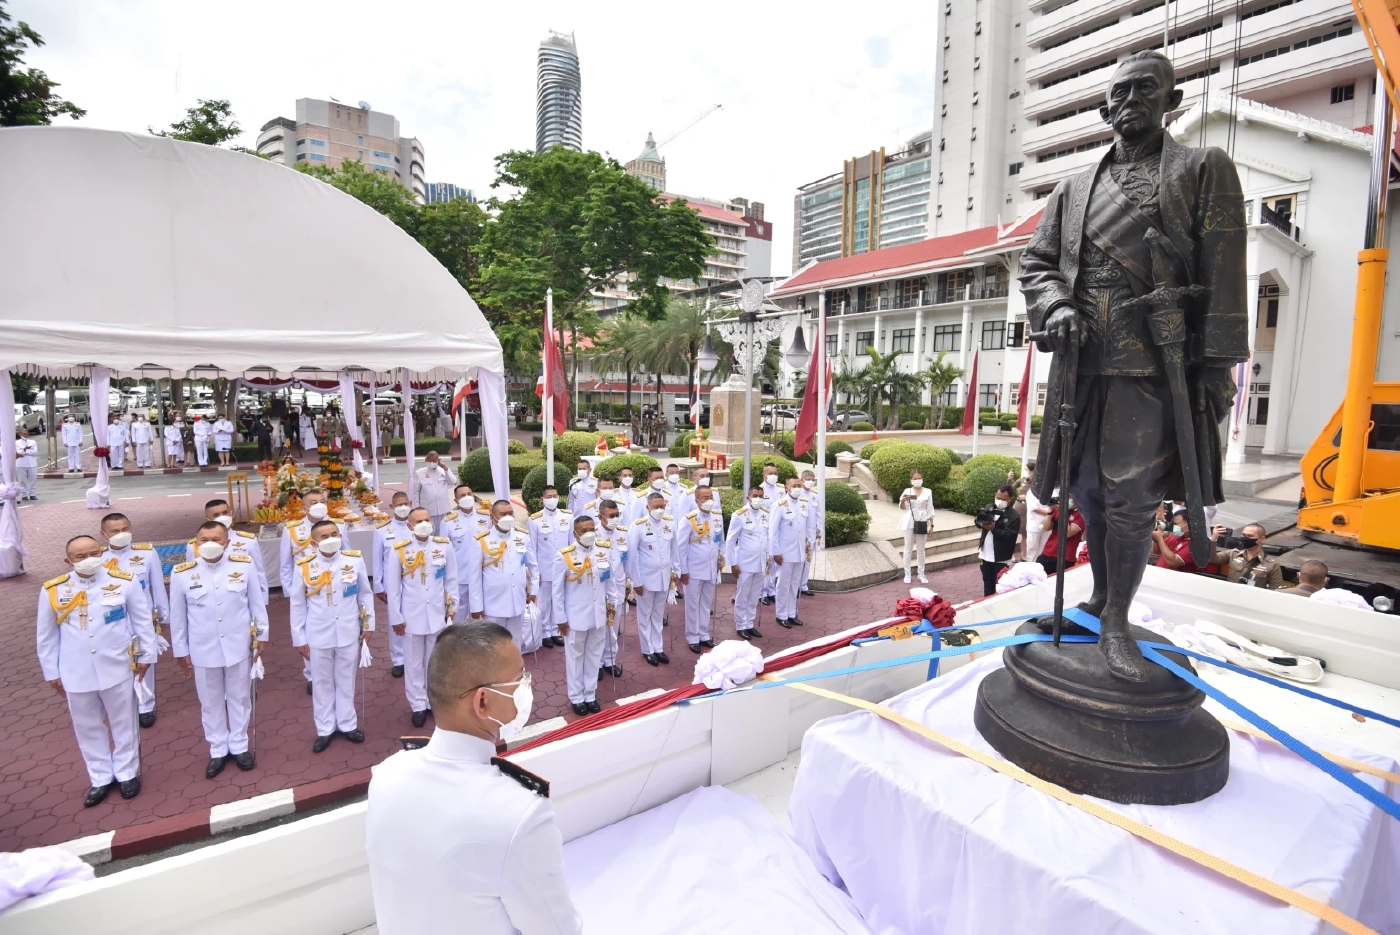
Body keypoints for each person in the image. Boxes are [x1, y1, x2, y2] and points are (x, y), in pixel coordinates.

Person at [1020, 49, 1247, 682]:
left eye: (1145, 89)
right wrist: (1057, 303)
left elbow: (1225, 267)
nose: (1129, 102)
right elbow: (1037, 265)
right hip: (1081, 364)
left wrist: (1215, 364)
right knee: (1086, 490)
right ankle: (1093, 600)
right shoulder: (1072, 189)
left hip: (1154, 367)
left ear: (1172, 100)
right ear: (1102, 109)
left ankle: (1117, 620)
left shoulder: (1203, 168)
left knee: (1129, 496)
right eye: (1118, 93)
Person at [366, 623, 581, 935]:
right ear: (482, 702)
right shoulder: (520, 815)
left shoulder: (386, 775)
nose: (526, 687)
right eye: (518, 679)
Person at [36, 535, 157, 806]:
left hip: (117, 665)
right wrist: (51, 671)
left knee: (124, 722)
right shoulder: (53, 590)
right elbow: (46, 636)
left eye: (94, 552)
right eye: (81, 556)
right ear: (68, 561)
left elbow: (141, 621)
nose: (89, 559)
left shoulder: (124, 581)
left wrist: (147, 655)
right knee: (87, 727)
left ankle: (127, 772)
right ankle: (100, 777)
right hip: (75, 671)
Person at [169, 521, 268, 779]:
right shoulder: (182, 572)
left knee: (239, 697)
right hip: (203, 649)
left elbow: (256, 605)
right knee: (210, 702)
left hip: (238, 645)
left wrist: (262, 636)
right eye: (204, 539)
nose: (210, 544)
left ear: (227, 542)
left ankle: (239, 745)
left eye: (216, 539)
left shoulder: (243, 566)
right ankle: (217, 749)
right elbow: (178, 617)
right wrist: (181, 651)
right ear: (196, 542)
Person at [289, 520, 373, 751]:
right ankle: (325, 728)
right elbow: (297, 604)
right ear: (314, 544)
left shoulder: (353, 560)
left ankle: (347, 724)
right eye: (324, 536)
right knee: (322, 682)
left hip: (348, 631)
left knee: (346, 680)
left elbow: (365, 594)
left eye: (334, 534)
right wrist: (299, 638)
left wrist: (368, 624)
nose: (330, 539)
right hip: (317, 633)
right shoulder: (304, 565)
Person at [386, 507, 458, 727]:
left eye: (427, 519)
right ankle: (418, 704)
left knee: (434, 661)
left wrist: (451, 608)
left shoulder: (443, 546)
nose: (425, 523)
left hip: (437, 613)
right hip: (412, 615)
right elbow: (394, 588)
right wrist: (396, 617)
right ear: (409, 526)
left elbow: (451, 580)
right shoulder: (399, 549)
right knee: (413, 662)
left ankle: (433, 701)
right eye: (419, 521)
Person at [100, 512, 169, 728]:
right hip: (112, 621)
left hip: (142, 618)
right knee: (117, 664)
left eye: (125, 529)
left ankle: (145, 706)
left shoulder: (147, 554)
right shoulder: (98, 560)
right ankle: (123, 705)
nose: (122, 534)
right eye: (115, 531)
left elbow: (158, 587)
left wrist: (162, 618)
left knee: (144, 662)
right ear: (104, 535)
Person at [553, 515, 614, 715]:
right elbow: (557, 591)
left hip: (598, 615)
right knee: (575, 657)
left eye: (591, 529)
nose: (589, 534)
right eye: (584, 531)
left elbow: (608, 581)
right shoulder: (565, 556)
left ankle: (590, 694)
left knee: (594, 656)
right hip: (575, 617)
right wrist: (560, 618)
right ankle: (576, 697)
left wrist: (612, 605)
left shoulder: (604, 550)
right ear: (575, 534)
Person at [281, 489, 335, 691]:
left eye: (322, 500)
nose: (319, 504)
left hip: (331, 587)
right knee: (308, 632)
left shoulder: (338, 526)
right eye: (313, 502)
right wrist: (291, 594)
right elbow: (286, 565)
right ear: (304, 507)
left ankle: (332, 670)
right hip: (305, 590)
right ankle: (312, 675)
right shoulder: (292, 529)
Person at [467, 499, 538, 653]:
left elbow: (533, 566)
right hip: (492, 605)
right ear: (493, 517)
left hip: (517, 602)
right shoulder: (481, 540)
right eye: (503, 514)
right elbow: (474, 577)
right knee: (493, 648)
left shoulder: (522, 536)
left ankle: (515, 675)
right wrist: (476, 606)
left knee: (514, 644)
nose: (508, 517)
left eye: (510, 513)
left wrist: (534, 590)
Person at [189, 499, 269, 606]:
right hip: (209, 600)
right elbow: (191, 576)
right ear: (207, 519)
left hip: (240, 598)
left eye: (225, 513)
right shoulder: (195, 545)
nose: (222, 517)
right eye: (216, 515)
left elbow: (259, 572)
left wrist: (263, 601)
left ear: (231, 513)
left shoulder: (248, 541)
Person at [630, 491, 677, 666]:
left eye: (662, 506)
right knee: (645, 615)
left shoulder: (670, 523)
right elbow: (632, 555)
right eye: (656, 506)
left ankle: (658, 648)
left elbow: (674, 549)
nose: (659, 509)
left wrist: (676, 572)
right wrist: (636, 580)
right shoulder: (639, 525)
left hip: (664, 577)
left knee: (658, 615)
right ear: (647, 507)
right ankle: (647, 649)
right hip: (646, 579)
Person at [676, 485, 723, 653]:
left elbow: (719, 540)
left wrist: (720, 559)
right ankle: (692, 636)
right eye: (705, 498)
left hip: (710, 569)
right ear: (697, 501)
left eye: (711, 496)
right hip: (693, 570)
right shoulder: (688, 519)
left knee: (705, 604)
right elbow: (680, 547)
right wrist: (683, 571)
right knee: (692, 604)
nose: (709, 500)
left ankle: (704, 634)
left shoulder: (717, 517)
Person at [374, 491, 415, 678]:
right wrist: (378, 586)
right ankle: (398, 659)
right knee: (396, 620)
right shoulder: (382, 530)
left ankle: (414, 657)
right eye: (399, 504)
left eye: (406, 503)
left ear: (411, 503)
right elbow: (376, 559)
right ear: (391, 507)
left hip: (415, 581)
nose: (403, 507)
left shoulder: (418, 526)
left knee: (415, 619)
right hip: (392, 583)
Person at [529, 487, 573, 649]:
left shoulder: (567, 516)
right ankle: (545, 632)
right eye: (549, 496)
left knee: (559, 600)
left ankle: (556, 631)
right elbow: (532, 548)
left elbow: (571, 543)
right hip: (545, 567)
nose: (552, 499)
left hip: (564, 567)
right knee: (545, 602)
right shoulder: (535, 519)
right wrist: (535, 571)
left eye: (555, 495)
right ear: (542, 499)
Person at [725, 485, 769, 641]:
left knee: (755, 595)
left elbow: (767, 537)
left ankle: (749, 623)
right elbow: (730, 541)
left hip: (761, 562)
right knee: (742, 595)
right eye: (755, 495)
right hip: (745, 562)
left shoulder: (766, 514)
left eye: (761, 496)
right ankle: (740, 625)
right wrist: (732, 563)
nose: (758, 498)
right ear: (748, 497)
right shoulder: (739, 515)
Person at [768, 475, 813, 629]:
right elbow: (772, 531)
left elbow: (808, 527)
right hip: (785, 553)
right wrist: (775, 552)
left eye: (799, 485)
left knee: (795, 584)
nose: (797, 488)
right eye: (794, 486)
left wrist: (809, 545)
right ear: (787, 487)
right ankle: (781, 615)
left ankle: (792, 613)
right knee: (783, 584)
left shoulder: (804, 504)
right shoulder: (779, 505)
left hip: (800, 551)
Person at [595, 500, 629, 677]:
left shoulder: (623, 533)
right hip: (600, 589)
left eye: (617, 515)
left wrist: (630, 581)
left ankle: (610, 660)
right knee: (600, 629)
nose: (615, 519)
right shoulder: (592, 535)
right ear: (601, 516)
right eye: (611, 516)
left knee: (613, 627)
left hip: (618, 586)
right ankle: (598, 663)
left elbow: (627, 561)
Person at [977, 485, 1022, 595]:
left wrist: (993, 529)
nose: (1000, 501)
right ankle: (987, 604)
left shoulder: (1013, 516)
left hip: (1001, 557)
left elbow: (1010, 536)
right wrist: (979, 522)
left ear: (1010, 499)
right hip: (985, 554)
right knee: (987, 583)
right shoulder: (989, 507)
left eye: (1004, 499)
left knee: (1001, 585)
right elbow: (978, 521)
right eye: (998, 498)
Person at [1209, 522, 1284, 588]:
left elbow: (1276, 590)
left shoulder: (1271, 565)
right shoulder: (1233, 554)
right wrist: (1214, 539)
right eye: (1243, 535)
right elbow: (1212, 559)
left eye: (1250, 536)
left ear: (1261, 539)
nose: (1245, 538)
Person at [899, 469, 935, 584]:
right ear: (911, 480)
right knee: (908, 549)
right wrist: (903, 501)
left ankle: (921, 573)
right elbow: (902, 507)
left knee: (921, 550)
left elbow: (930, 508)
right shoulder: (907, 490)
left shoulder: (928, 491)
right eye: (915, 478)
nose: (917, 480)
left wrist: (931, 525)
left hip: (923, 520)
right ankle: (907, 573)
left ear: (922, 479)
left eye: (919, 478)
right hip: (910, 519)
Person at [1036, 496, 1083, 577]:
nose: (1067, 500)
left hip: (1065, 557)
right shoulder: (1058, 511)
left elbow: (1067, 533)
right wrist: (1050, 512)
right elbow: (1046, 527)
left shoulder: (1081, 514)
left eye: (1070, 497)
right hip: (1047, 552)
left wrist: (1063, 511)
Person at [758, 464, 783, 605]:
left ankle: (771, 589)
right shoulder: (760, 491)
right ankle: (763, 591)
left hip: (779, 530)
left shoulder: (781, 489)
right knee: (766, 562)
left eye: (775, 472)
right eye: (770, 473)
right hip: (765, 529)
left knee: (775, 561)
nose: (773, 475)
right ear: (764, 475)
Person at [412, 451, 455, 535]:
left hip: (443, 510)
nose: (433, 463)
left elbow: (453, 481)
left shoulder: (443, 471)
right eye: (430, 460)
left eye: (435, 461)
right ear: (426, 460)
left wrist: (445, 468)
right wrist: (417, 510)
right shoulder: (420, 473)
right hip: (428, 511)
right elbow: (415, 493)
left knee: (443, 534)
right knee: (429, 534)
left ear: (438, 460)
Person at [797, 469, 823, 596]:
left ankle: (803, 585)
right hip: (799, 534)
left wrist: (819, 530)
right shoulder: (796, 495)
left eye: (813, 480)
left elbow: (818, 514)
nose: (811, 482)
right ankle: (794, 586)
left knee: (807, 561)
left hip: (811, 534)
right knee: (797, 561)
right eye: (808, 479)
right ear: (801, 480)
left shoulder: (814, 495)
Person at [1153, 507, 1199, 573]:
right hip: (1159, 575)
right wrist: (1156, 537)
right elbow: (1156, 551)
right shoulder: (1175, 536)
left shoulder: (1195, 545)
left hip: (1175, 581)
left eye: (1176, 524)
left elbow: (1173, 562)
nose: (1174, 527)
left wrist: (1160, 539)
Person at [16, 428, 38, 500]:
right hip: (21, 463)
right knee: (22, 480)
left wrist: (24, 451)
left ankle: (32, 494)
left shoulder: (33, 442)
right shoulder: (16, 443)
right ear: (20, 434)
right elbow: (18, 453)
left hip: (32, 463)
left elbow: (35, 452)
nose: (26, 435)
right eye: (24, 434)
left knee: (33, 479)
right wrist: (24, 449)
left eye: (27, 434)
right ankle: (24, 495)